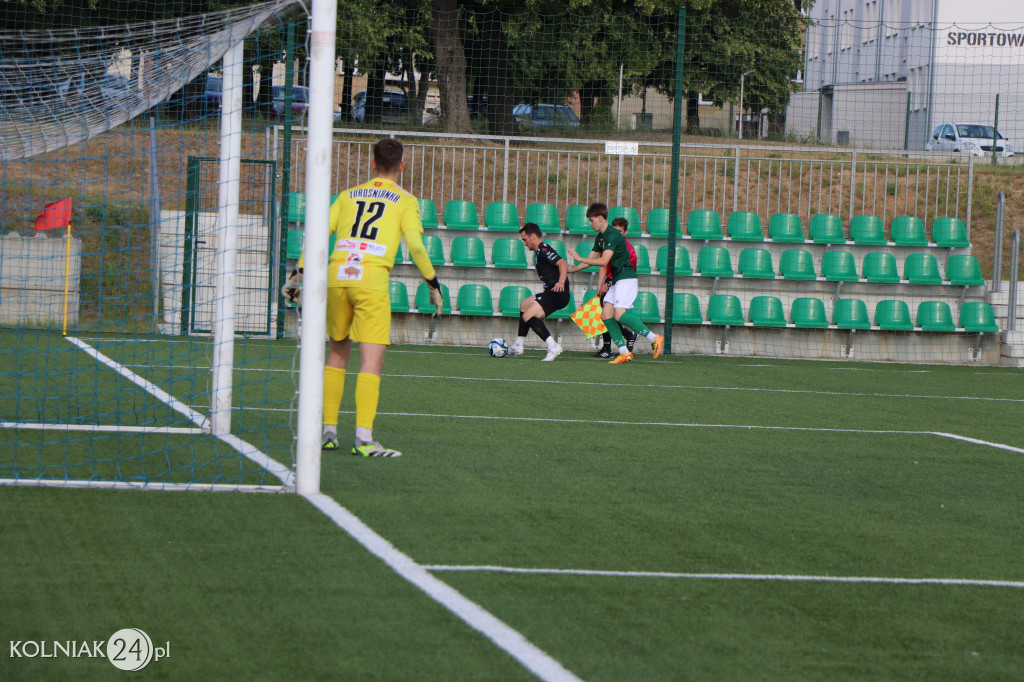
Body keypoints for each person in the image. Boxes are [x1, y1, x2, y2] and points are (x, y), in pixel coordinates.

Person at [282, 138, 444, 457]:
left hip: (337, 275)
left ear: (372, 165)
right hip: (370, 279)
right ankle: (364, 438)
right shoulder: (405, 200)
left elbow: (319, 234)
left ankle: (328, 432)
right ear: (401, 166)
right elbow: (416, 246)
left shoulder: (347, 195)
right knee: (371, 360)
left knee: (338, 352)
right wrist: (433, 284)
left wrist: (297, 273)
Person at [567, 202, 664, 364]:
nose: (590, 224)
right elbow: (590, 261)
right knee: (605, 315)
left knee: (619, 315)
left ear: (600, 218)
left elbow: (604, 261)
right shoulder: (601, 237)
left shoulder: (613, 235)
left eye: (591, 221)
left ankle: (654, 338)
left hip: (626, 278)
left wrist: (579, 257)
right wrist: (570, 270)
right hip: (617, 281)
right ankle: (624, 352)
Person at [508, 222, 570, 361]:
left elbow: (563, 263)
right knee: (525, 304)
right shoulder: (538, 252)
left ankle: (552, 346)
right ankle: (519, 344)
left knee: (528, 316)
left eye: (525, 239)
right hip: (551, 291)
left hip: (557, 293)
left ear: (533, 236)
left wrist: (561, 281)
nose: (524, 243)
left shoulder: (543, 249)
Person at [593, 216, 638, 358]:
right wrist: (601, 283)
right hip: (610, 280)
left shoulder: (629, 251)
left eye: (620, 231)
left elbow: (626, 272)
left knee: (612, 315)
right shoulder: (608, 242)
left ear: (625, 232)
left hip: (620, 282)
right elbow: (603, 263)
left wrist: (608, 284)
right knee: (604, 314)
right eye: (615, 230)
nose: (616, 233)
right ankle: (614, 343)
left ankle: (624, 338)